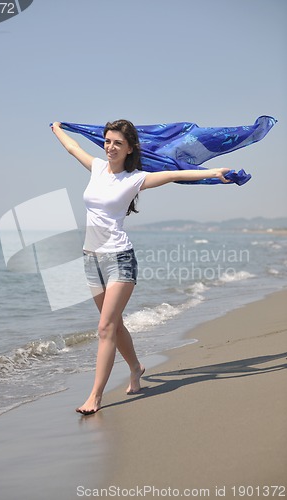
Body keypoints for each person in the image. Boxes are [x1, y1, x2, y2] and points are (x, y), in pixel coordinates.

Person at [51, 119, 230, 415]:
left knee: (105, 327)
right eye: (108, 141)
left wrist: (214, 173)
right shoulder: (96, 167)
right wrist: (58, 128)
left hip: (119, 259)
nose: (110, 147)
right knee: (115, 324)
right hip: (90, 259)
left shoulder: (134, 179)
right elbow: (73, 148)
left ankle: (95, 396)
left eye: (118, 143)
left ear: (130, 148)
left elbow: (175, 174)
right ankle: (136, 368)